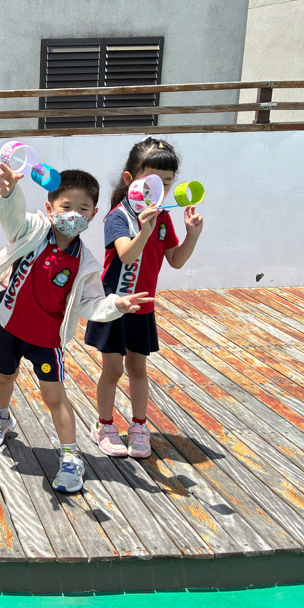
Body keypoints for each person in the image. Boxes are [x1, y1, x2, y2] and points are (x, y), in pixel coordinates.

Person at [0, 161, 153, 493]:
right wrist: (8, 192)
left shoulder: (85, 263)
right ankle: (1, 417)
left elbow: (90, 303)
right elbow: (11, 217)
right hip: (8, 324)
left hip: (46, 339)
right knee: (3, 377)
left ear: (94, 214)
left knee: (55, 396)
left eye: (83, 209)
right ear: (49, 207)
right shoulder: (31, 230)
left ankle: (71, 457)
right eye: (66, 206)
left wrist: (116, 304)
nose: (73, 214)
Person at [86, 136, 203, 458]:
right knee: (113, 370)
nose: (160, 189)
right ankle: (104, 425)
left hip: (142, 307)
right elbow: (126, 255)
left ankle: (139, 426)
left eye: (167, 182)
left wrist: (192, 235)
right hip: (114, 306)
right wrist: (144, 231)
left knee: (138, 368)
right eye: (152, 181)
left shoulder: (162, 217)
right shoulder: (119, 216)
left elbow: (175, 260)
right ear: (130, 179)